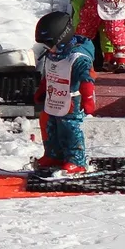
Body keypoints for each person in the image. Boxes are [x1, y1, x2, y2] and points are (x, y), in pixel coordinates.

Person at [32, 11, 96, 176]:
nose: (48, 49)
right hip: (54, 97)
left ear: (61, 39)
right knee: (49, 124)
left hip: (71, 100)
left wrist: (88, 98)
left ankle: (76, 160)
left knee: (69, 127)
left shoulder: (77, 57)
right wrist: (42, 90)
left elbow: (87, 78)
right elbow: (50, 74)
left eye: (49, 44)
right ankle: (53, 155)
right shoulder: (54, 54)